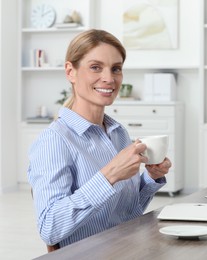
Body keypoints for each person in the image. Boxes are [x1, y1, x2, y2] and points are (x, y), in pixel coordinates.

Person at [28, 29, 171, 249]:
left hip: (127, 249)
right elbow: (50, 228)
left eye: (116, 69)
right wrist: (109, 175)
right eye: (96, 67)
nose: (109, 78)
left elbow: (126, 214)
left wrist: (151, 178)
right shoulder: (54, 141)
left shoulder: (118, 132)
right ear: (70, 72)